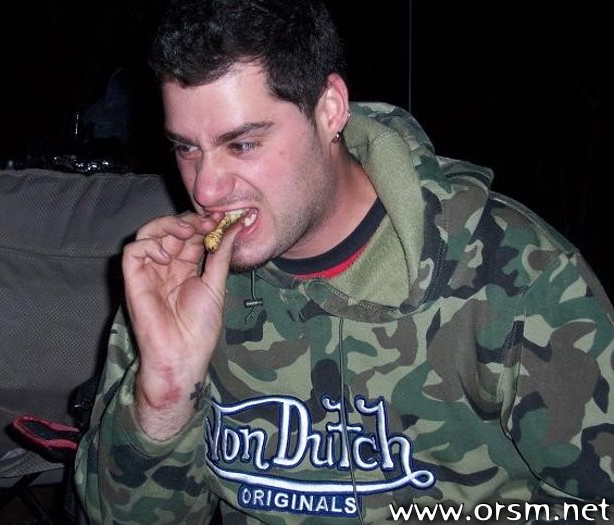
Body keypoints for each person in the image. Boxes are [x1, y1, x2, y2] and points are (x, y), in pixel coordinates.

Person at [74, 0, 614, 523]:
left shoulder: (518, 277)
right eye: (186, 148)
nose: (206, 189)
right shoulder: (180, 284)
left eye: (243, 145)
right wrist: (165, 398)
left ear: (329, 109)